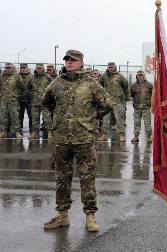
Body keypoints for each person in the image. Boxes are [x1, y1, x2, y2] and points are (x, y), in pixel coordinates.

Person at [42, 50, 112, 232]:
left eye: (73, 60)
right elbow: (46, 102)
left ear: (81, 62)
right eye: (67, 60)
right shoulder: (56, 83)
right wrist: (56, 124)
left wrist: (90, 119)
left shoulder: (91, 83)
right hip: (61, 139)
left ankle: (90, 217)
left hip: (84, 139)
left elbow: (107, 104)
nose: (69, 63)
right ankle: (63, 215)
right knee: (62, 178)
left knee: (87, 178)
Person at [98, 62, 129, 142]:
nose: (110, 68)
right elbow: (98, 85)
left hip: (118, 102)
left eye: (112, 67)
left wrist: (126, 97)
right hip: (107, 102)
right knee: (105, 120)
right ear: (107, 67)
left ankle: (122, 135)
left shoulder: (119, 76)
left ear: (115, 67)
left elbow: (125, 85)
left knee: (119, 120)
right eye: (109, 67)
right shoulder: (104, 76)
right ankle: (104, 135)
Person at [30, 63, 53, 139]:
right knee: (34, 119)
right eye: (37, 68)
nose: (39, 70)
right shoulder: (32, 78)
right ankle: (34, 133)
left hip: (45, 103)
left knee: (47, 118)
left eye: (40, 68)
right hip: (35, 102)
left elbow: (53, 87)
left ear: (43, 69)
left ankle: (50, 133)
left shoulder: (48, 77)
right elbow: (28, 88)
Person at [0, 62, 23, 139]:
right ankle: (3, 132)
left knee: (15, 116)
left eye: (9, 68)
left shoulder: (16, 76)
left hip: (13, 100)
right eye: (6, 67)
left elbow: (22, 87)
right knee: (3, 117)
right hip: (3, 100)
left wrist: (16, 95)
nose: (8, 69)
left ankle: (17, 132)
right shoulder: (1, 76)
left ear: (12, 68)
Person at [130, 70, 153, 143]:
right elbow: (132, 94)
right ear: (137, 76)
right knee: (136, 123)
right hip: (137, 108)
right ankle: (136, 137)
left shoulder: (149, 85)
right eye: (139, 75)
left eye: (141, 75)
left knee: (147, 123)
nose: (140, 76)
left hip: (146, 107)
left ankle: (148, 137)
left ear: (144, 76)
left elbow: (153, 94)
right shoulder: (134, 85)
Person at [17, 63, 33, 135]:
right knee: (20, 116)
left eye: (24, 67)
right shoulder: (17, 76)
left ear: (27, 68)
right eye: (22, 67)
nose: (23, 69)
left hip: (29, 99)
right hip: (19, 99)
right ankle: (19, 130)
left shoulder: (32, 76)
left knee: (31, 116)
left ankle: (32, 131)